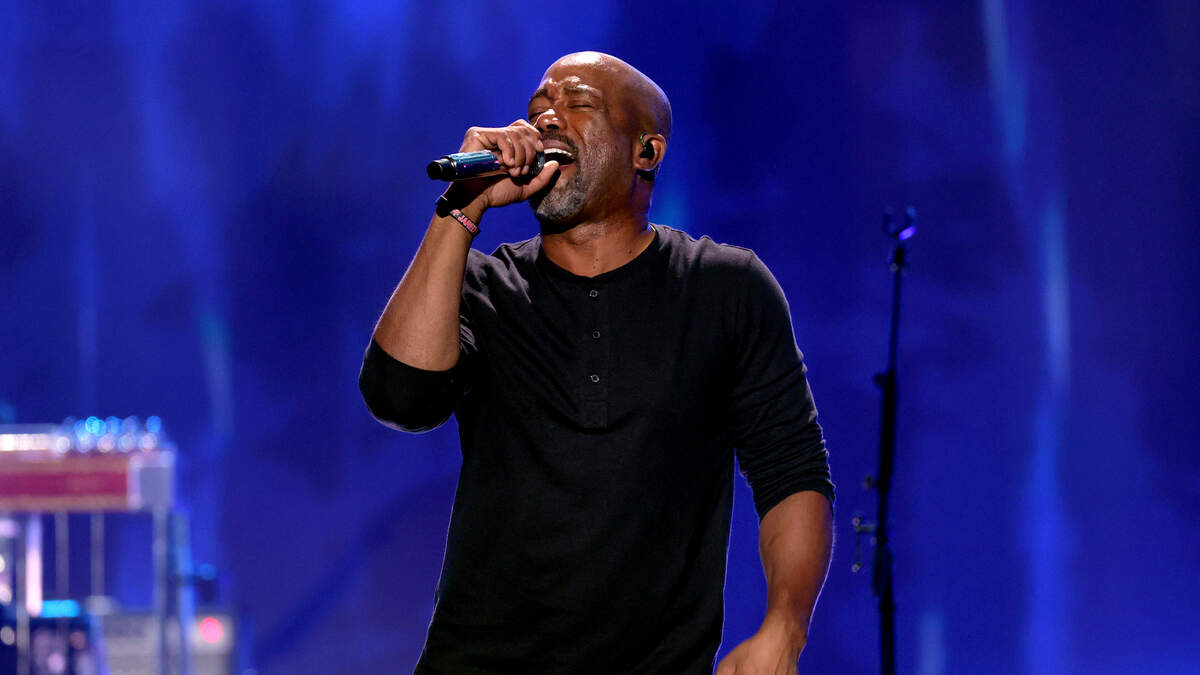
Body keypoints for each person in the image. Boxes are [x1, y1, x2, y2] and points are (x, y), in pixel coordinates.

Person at [360, 51, 834, 675]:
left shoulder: (725, 288)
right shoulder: (482, 286)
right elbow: (399, 397)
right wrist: (462, 206)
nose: (547, 119)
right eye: (538, 109)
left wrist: (784, 626)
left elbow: (791, 472)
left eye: (578, 103)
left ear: (647, 151)